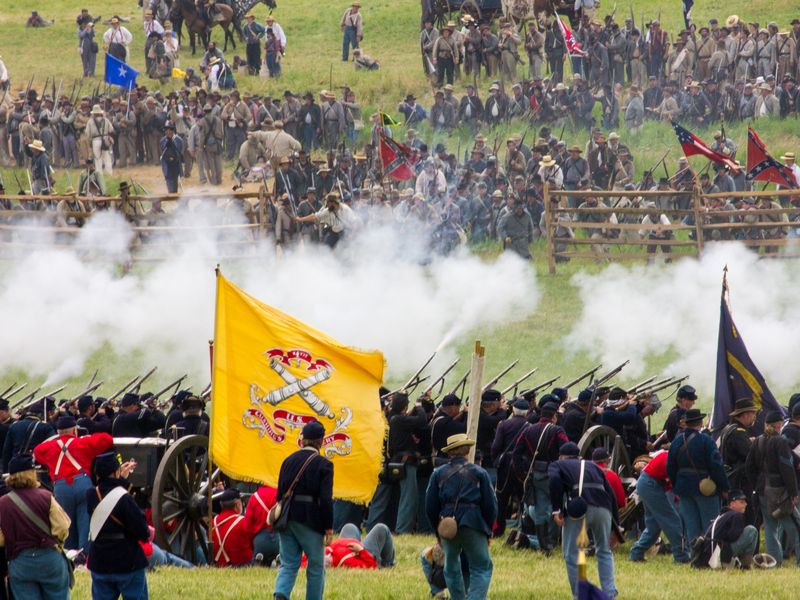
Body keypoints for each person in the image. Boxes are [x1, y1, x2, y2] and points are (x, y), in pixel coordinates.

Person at [425, 433, 496, 600]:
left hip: (448, 524)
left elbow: (430, 506)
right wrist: (487, 529)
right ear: (467, 450)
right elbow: (490, 505)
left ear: (449, 452)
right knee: (481, 566)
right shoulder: (480, 473)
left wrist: (438, 530)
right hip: (474, 523)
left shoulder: (438, 474)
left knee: (451, 568)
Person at [549, 441, 619, 600]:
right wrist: (617, 527)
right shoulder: (593, 466)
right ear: (579, 457)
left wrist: (556, 510)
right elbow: (611, 494)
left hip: (579, 509)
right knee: (604, 550)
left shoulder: (557, 464)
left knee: (572, 553)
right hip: (604, 508)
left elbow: (554, 482)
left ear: (561, 456)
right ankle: (609, 592)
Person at [33, 415, 113, 551]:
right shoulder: (83, 442)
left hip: (61, 487)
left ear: (58, 433)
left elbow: (37, 451)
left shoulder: (49, 447)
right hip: (83, 483)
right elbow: (107, 439)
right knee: (85, 523)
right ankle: (84, 555)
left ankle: (69, 553)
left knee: (66, 522)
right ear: (75, 431)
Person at [273, 420, 334, 600]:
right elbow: (325, 499)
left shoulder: (288, 460)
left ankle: (281, 595)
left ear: (303, 439)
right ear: (321, 441)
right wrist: (328, 527)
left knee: (288, 564)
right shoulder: (324, 464)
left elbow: (279, 495)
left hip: (286, 516)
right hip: (310, 519)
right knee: (315, 567)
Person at [0, 454, 71, 600]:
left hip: (20, 561)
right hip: (49, 558)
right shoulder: (46, 496)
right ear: (32, 473)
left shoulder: (3, 503)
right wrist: (56, 543)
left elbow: (1, 539)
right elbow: (62, 526)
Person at [86, 452, 150, 600]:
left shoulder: (91, 495)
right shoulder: (125, 498)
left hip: (100, 560)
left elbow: (106, 489)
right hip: (126, 560)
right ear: (116, 472)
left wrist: (120, 479)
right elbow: (142, 531)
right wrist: (122, 482)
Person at [667, 408, 730, 542]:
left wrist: (676, 485)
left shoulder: (676, 442)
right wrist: (724, 487)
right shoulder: (706, 440)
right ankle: (707, 554)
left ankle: (695, 556)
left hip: (683, 488)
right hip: (704, 487)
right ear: (700, 423)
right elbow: (716, 466)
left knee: (691, 527)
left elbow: (670, 467)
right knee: (710, 525)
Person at [745, 410, 798, 566]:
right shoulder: (780, 442)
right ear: (779, 425)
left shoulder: (758, 441)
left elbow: (749, 467)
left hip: (762, 490)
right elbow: (787, 468)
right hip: (779, 491)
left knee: (770, 527)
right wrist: (793, 491)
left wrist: (757, 484)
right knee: (795, 526)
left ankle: (775, 561)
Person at [629, 449, 690, 563]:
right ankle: (681, 556)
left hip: (647, 483)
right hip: (651, 484)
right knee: (672, 520)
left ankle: (636, 552)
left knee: (654, 526)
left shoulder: (669, 457)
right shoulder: (671, 460)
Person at [696, 490, 758, 569]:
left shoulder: (723, 514)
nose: (745, 504)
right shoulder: (737, 515)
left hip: (709, 556)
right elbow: (733, 537)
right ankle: (746, 565)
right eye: (742, 502)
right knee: (751, 530)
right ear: (732, 504)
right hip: (720, 555)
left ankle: (736, 562)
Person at [211, 488, 258, 567]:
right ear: (237, 504)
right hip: (243, 566)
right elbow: (254, 545)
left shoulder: (212, 523)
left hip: (218, 565)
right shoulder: (243, 522)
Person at [294, 192, 358, 248]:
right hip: (334, 233)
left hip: (345, 233)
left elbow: (354, 222)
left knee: (344, 251)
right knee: (325, 249)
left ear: (334, 202)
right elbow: (314, 216)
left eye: (328, 203)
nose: (327, 205)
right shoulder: (328, 210)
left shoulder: (345, 209)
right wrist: (300, 219)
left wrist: (352, 234)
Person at [329, 523, 395, 568]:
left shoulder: (325, 552)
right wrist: (361, 550)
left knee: (349, 527)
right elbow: (371, 565)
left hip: (348, 549)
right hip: (363, 555)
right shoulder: (347, 562)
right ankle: (387, 564)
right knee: (381, 528)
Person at [159, 121, 184, 193]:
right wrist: (168, 142)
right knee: (169, 183)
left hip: (175, 165)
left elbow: (179, 151)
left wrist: (172, 143)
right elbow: (163, 150)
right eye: (166, 129)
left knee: (174, 185)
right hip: (167, 165)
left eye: (170, 129)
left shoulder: (179, 140)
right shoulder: (163, 140)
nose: (168, 131)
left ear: (173, 130)